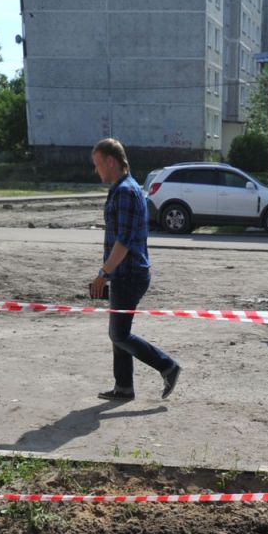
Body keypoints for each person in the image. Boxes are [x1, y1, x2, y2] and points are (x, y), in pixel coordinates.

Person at [88, 137, 181, 401]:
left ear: (110, 161)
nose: (96, 171)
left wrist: (103, 273)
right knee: (120, 331)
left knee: (119, 333)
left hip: (129, 274)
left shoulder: (126, 192)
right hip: (125, 273)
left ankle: (167, 367)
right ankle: (124, 387)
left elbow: (124, 242)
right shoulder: (122, 189)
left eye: (98, 164)